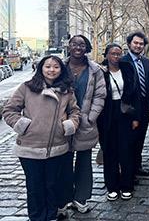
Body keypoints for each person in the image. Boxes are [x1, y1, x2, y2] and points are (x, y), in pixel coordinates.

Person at [2, 55, 80, 221]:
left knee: (52, 185)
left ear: (61, 70)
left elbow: (75, 111)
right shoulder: (27, 87)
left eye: (56, 67)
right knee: (35, 186)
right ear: (41, 68)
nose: (52, 70)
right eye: (48, 66)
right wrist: (24, 125)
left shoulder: (67, 91)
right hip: (30, 147)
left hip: (57, 146)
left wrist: (68, 125)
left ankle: (51, 215)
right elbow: (9, 110)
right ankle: (36, 217)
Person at [59, 35, 106, 214]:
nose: (78, 47)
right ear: (69, 46)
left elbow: (100, 95)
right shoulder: (59, 67)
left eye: (81, 44)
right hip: (62, 124)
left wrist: (91, 117)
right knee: (63, 162)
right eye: (74, 44)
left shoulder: (95, 70)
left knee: (84, 161)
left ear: (86, 48)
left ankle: (81, 198)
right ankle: (63, 200)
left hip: (85, 123)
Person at [97, 43, 134, 201]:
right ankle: (112, 186)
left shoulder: (127, 69)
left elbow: (135, 94)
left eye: (119, 53)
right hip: (107, 116)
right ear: (106, 55)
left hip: (125, 114)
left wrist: (136, 117)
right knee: (110, 152)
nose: (116, 57)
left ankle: (126, 185)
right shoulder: (100, 72)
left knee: (126, 152)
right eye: (113, 53)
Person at [120, 31, 149, 179]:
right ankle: (129, 171)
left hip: (145, 107)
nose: (138, 46)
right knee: (129, 140)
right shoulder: (123, 62)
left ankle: (137, 166)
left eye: (141, 44)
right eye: (135, 43)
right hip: (129, 108)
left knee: (141, 138)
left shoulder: (147, 62)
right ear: (129, 44)